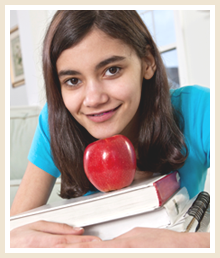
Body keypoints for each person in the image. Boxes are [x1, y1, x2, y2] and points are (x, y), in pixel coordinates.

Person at [10, 10, 210, 248]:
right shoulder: (55, 124)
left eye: (112, 70)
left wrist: (183, 245)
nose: (93, 99)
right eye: (73, 81)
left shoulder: (199, 108)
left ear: (147, 61)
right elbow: (15, 228)